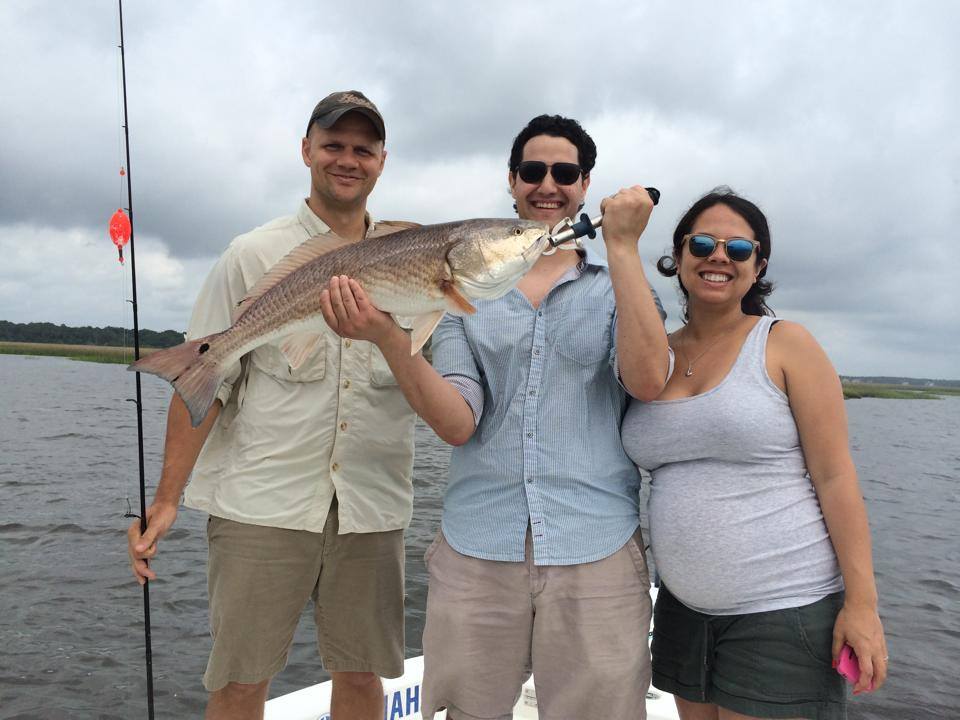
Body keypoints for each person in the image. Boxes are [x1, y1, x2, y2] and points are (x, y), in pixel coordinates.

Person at [318, 114, 671, 720]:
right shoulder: (458, 292)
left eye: (565, 173)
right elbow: (458, 422)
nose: (548, 185)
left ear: (586, 185)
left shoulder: (620, 281)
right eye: (533, 171)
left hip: (597, 546)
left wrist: (623, 249)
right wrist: (384, 336)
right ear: (512, 181)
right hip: (478, 544)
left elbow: (647, 380)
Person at [126, 90, 418, 720]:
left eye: (362, 149)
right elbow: (202, 380)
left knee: (364, 677)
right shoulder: (251, 254)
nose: (348, 159)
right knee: (238, 682)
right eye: (334, 144)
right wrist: (168, 499)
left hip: (370, 506)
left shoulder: (415, 257)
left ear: (382, 161)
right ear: (306, 150)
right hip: (262, 504)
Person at [621, 188, 888, 720]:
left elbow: (835, 477)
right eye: (702, 243)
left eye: (738, 249)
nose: (719, 256)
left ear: (757, 264)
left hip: (782, 611)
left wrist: (863, 605)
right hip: (681, 612)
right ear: (678, 256)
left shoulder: (787, 343)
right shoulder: (653, 353)